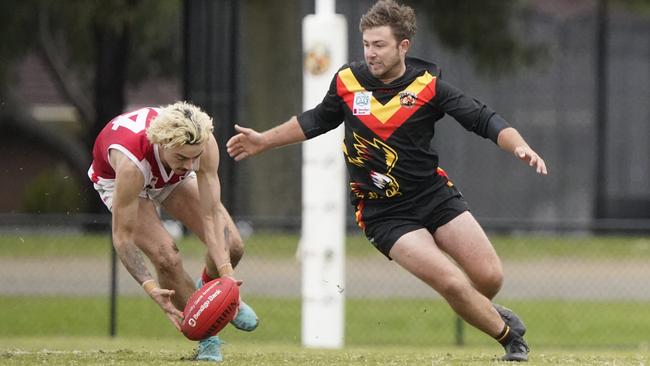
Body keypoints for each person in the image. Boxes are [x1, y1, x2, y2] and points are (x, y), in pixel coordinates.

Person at [226, 0, 547, 362]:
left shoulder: (429, 87)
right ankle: (511, 341)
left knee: (488, 277)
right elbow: (315, 119)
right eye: (366, 44)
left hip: (433, 195)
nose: (370, 53)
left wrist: (519, 146)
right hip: (384, 212)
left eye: (379, 45)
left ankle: (481, 308)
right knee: (452, 282)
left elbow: (483, 119)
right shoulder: (348, 81)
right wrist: (263, 140)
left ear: (403, 46)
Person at [88, 101, 259, 362]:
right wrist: (150, 287)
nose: (191, 166)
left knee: (232, 244)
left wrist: (227, 282)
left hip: (166, 173)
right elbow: (122, 237)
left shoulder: (203, 144)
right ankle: (208, 337)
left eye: (195, 157)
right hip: (120, 179)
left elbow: (211, 214)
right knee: (167, 257)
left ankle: (207, 290)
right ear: (162, 144)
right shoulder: (131, 165)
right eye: (182, 157)